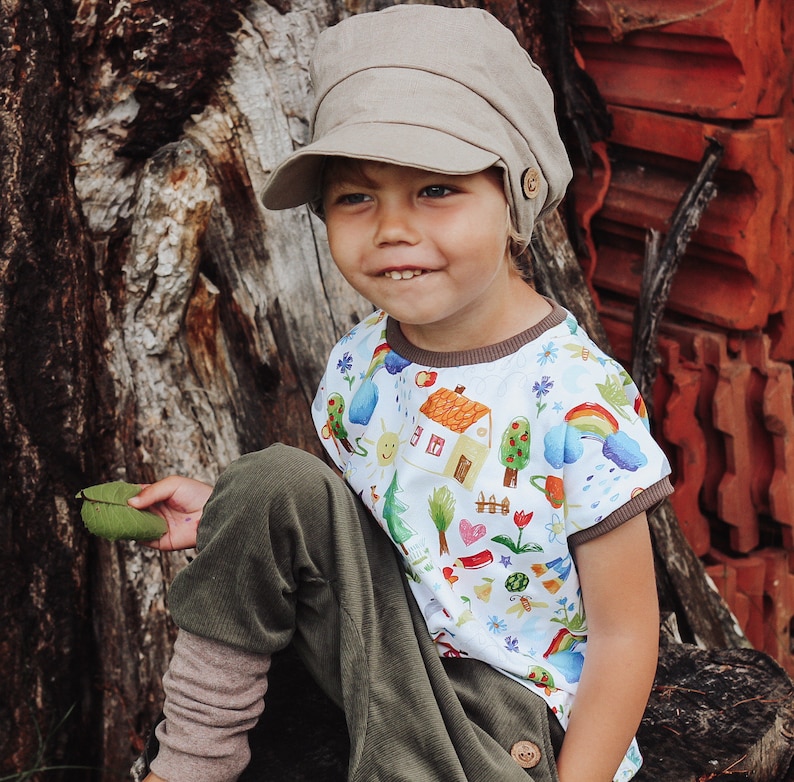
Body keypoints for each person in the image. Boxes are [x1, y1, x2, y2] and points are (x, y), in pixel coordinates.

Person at [131, 5, 672, 781]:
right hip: (379, 658)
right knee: (271, 480)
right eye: (357, 198)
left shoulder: (575, 402)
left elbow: (626, 636)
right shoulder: (363, 358)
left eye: (437, 190)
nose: (391, 228)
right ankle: (188, 765)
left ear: (515, 202)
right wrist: (245, 515)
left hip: (499, 712)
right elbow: (380, 528)